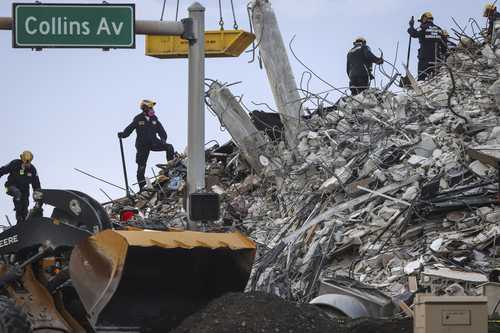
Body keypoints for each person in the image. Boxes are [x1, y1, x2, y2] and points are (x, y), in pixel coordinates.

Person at [118, 99, 175, 190]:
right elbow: (130, 128)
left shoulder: (154, 119)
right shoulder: (138, 118)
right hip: (142, 145)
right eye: (150, 108)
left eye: (152, 108)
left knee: (169, 147)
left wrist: (163, 139)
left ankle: (170, 169)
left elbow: (161, 131)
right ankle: (142, 187)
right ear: (144, 109)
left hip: (154, 142)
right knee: (141, 165)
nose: (152, 109)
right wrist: (123, 135)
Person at [0, 151, 41, 223]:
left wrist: (39, 198)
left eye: (28, 162)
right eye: (25, 162)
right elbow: (3, 170)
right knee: (17, 193)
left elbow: (36, 185)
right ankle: (19, 217)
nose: (26, 164)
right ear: (22, 159)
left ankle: (22, 223)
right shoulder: (15, 163)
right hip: (10, 187)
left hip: (24, 190)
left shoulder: (32, 170)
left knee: (25, 205)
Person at [408, 12, 444, 81]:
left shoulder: (423, 27)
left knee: (422, 78)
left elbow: (414, 33)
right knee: (436, 78)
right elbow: (444, 45)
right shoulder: (439, 29)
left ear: (425, 18)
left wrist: (411, 26)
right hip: (437, 58)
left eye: (421, 20)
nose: (421, 22)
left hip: (425, 57)